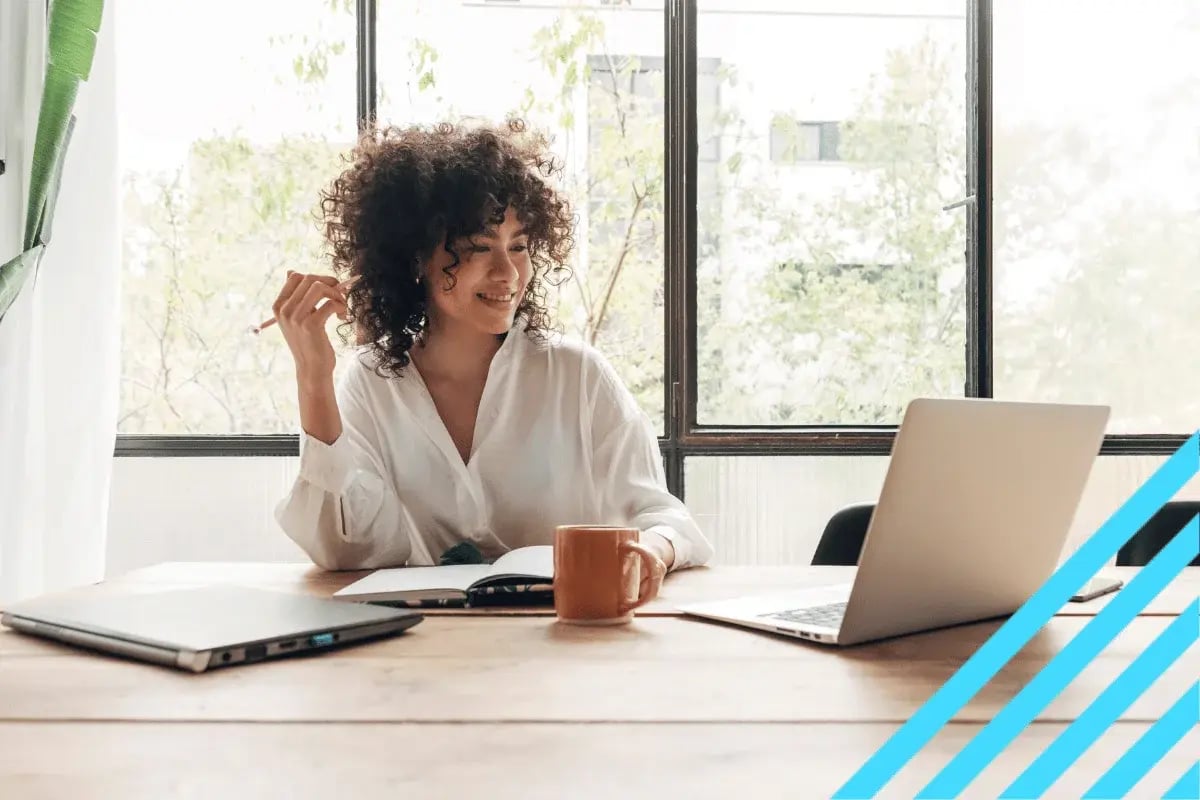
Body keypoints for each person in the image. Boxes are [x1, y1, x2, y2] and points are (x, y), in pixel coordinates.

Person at [272, 119, 713, 602]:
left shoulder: (577, 376)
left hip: (565, 648)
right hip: (422, 651)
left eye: (519, 246)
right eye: (479, 248)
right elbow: (343, 550)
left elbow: (665, 518)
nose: (507, 273)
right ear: (416, 258)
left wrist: (651, 552)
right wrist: (314, 378)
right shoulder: (371, 382)